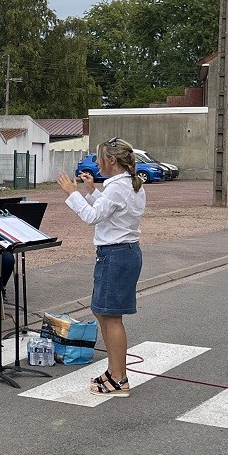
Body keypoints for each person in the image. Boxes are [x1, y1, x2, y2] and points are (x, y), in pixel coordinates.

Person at [57, 138, 146, 397]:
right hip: (124, 253)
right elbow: (113, 211)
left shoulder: (118, 188)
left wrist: (72, 193)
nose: (95, 163)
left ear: (111, 161)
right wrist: (92, 191)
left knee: (111, 316)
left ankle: (119, 378)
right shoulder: (129, 184)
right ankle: (113, 370)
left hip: (116, 254)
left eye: (99, 159)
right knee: (102, 312)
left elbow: (92, 217)